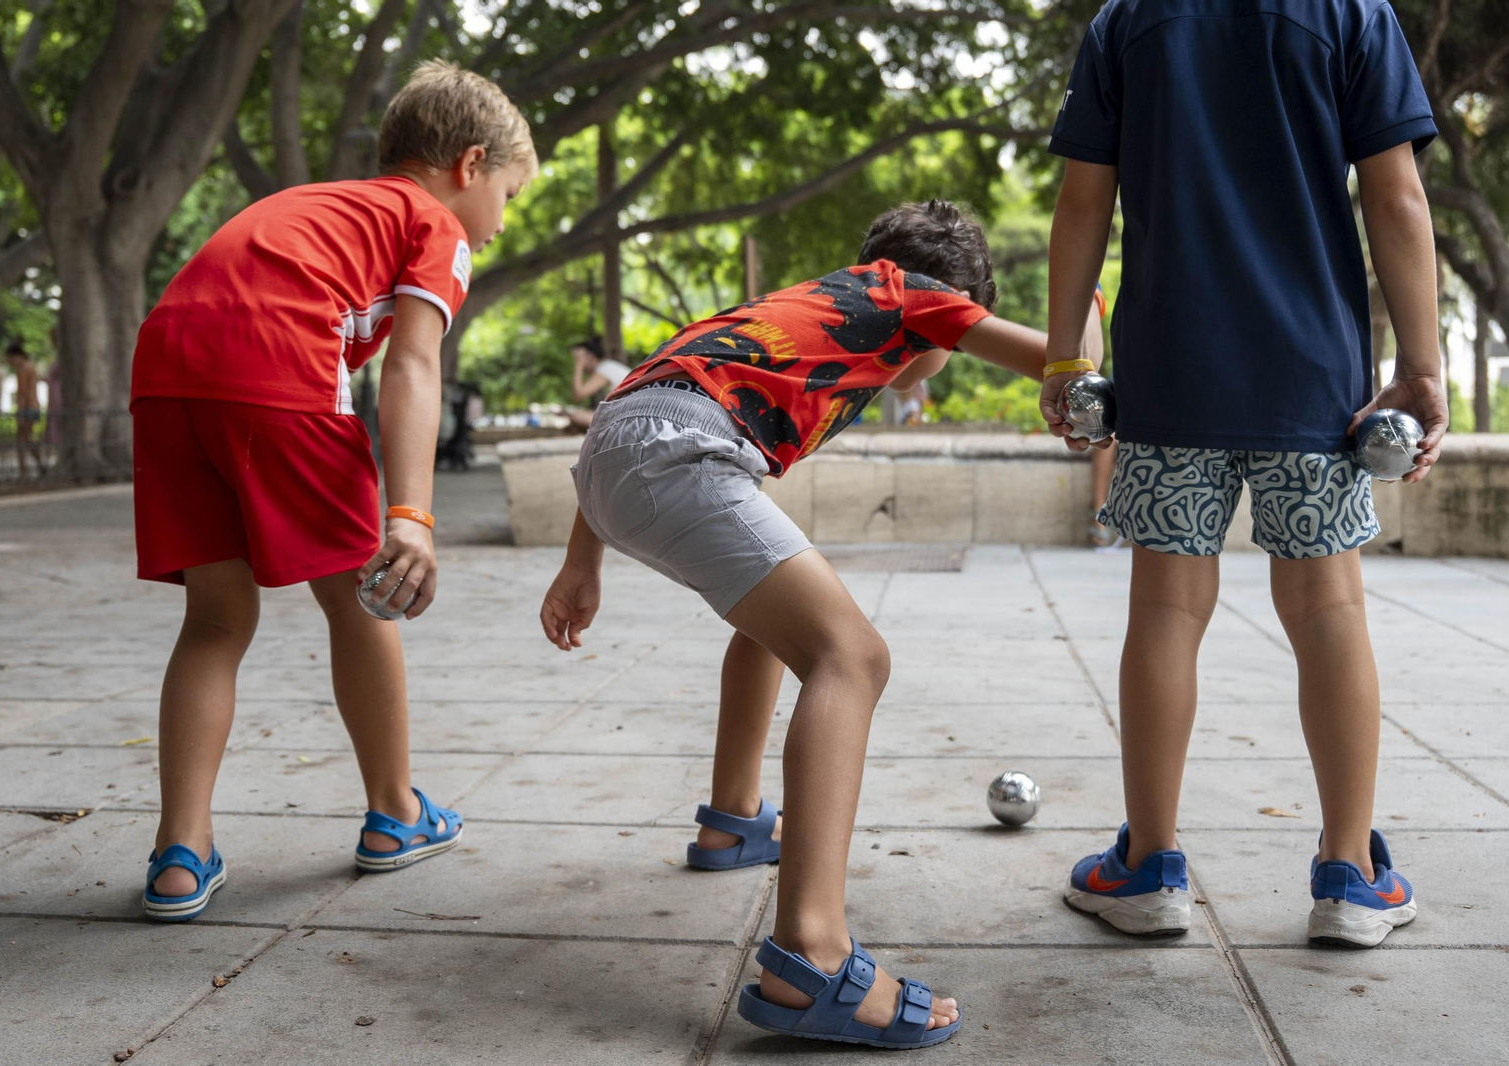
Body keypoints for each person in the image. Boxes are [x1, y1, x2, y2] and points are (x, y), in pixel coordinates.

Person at [539, 200, 1102, 1049]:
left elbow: (638, 394)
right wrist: (1088, 312)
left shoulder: (806, 305)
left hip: (618, 451)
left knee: (779, 624)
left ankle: (733, 820)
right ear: (955, 307)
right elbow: (1062, 371)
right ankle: (811, 956)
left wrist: (582, 560)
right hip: (681, 454)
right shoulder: (914, 297)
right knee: (852, 657)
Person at [1039, 0, 1448, 948]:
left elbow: (1082, 202)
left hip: (1173, 373)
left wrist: (1065, 360)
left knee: (1166, 610)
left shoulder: (1126, 22)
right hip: (1312, 381)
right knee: (1328, 608)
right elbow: (1396, 198)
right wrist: (1421, 367)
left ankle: (1148, 867)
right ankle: (1350, 875)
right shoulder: (1352, 13)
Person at [127, 61, 536, 921]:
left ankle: (180, 854)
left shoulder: (323, 204)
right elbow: (413, 365)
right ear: (469, 165)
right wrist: (411, 517)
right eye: (508, 195)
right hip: (278, 365)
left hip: (165, 371)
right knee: (363, 598)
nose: (502, 222)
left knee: (214, 619)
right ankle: (395, 812)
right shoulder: (433, 222)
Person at [565, 337, 631, 429]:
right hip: (628, 413)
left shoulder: (604, 369)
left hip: (628, 416)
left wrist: (578, 365)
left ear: (590, 356)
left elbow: (578, 395)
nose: (575, 361)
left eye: (577, 358)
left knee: (575, 415)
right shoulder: (608, 366)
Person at [6, 342, 46, 478]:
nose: (10, 362)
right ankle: (40, 465)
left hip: (28, 407)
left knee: (22, 440)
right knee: (27, 440)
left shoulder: (23, 368)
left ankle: (24, 472)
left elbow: (22, 392)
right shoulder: (30, 366)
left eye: (10, 358)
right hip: (34, 406)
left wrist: (20, 411)